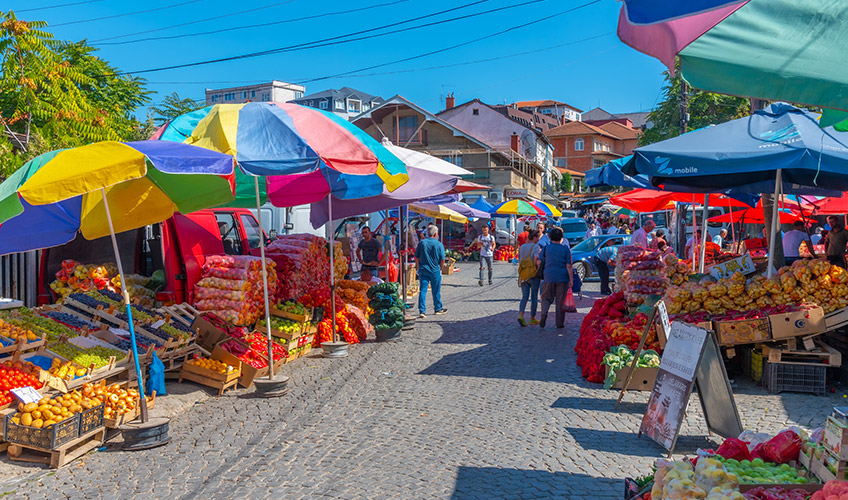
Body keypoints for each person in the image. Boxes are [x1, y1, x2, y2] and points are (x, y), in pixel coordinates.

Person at [536, 227, 573, 329]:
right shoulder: (565, 249)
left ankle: (544, 314)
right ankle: (559, 323)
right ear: (561, 238)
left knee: (546, 298)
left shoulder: (546, 248)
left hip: (548, 276)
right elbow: (569, 266)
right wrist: (571, 280)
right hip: (562, 277)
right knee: (560, 301)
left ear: (549, 237)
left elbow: (539, 262)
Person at [415, 225, 448, 317]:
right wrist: (440, 269)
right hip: (435, 271)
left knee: (423, 290)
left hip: (423, 270)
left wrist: (418, 268)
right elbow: (442, 260)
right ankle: (437, 308)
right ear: (436, 233)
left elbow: (417, 257)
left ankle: (422, 311)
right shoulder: (439, 244)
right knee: (436, 291)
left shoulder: (422, 243)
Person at [517, 229, 542, 326]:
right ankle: (532, 318)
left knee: (524, 297)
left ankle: (521, 315)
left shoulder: (522, 247)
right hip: (533, 274)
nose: (538, 239)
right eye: (538, 237)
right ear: (535, 237)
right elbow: (535, 260)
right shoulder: (536, 247)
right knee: (534, 297)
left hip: (523, 274)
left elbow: (520, 260)